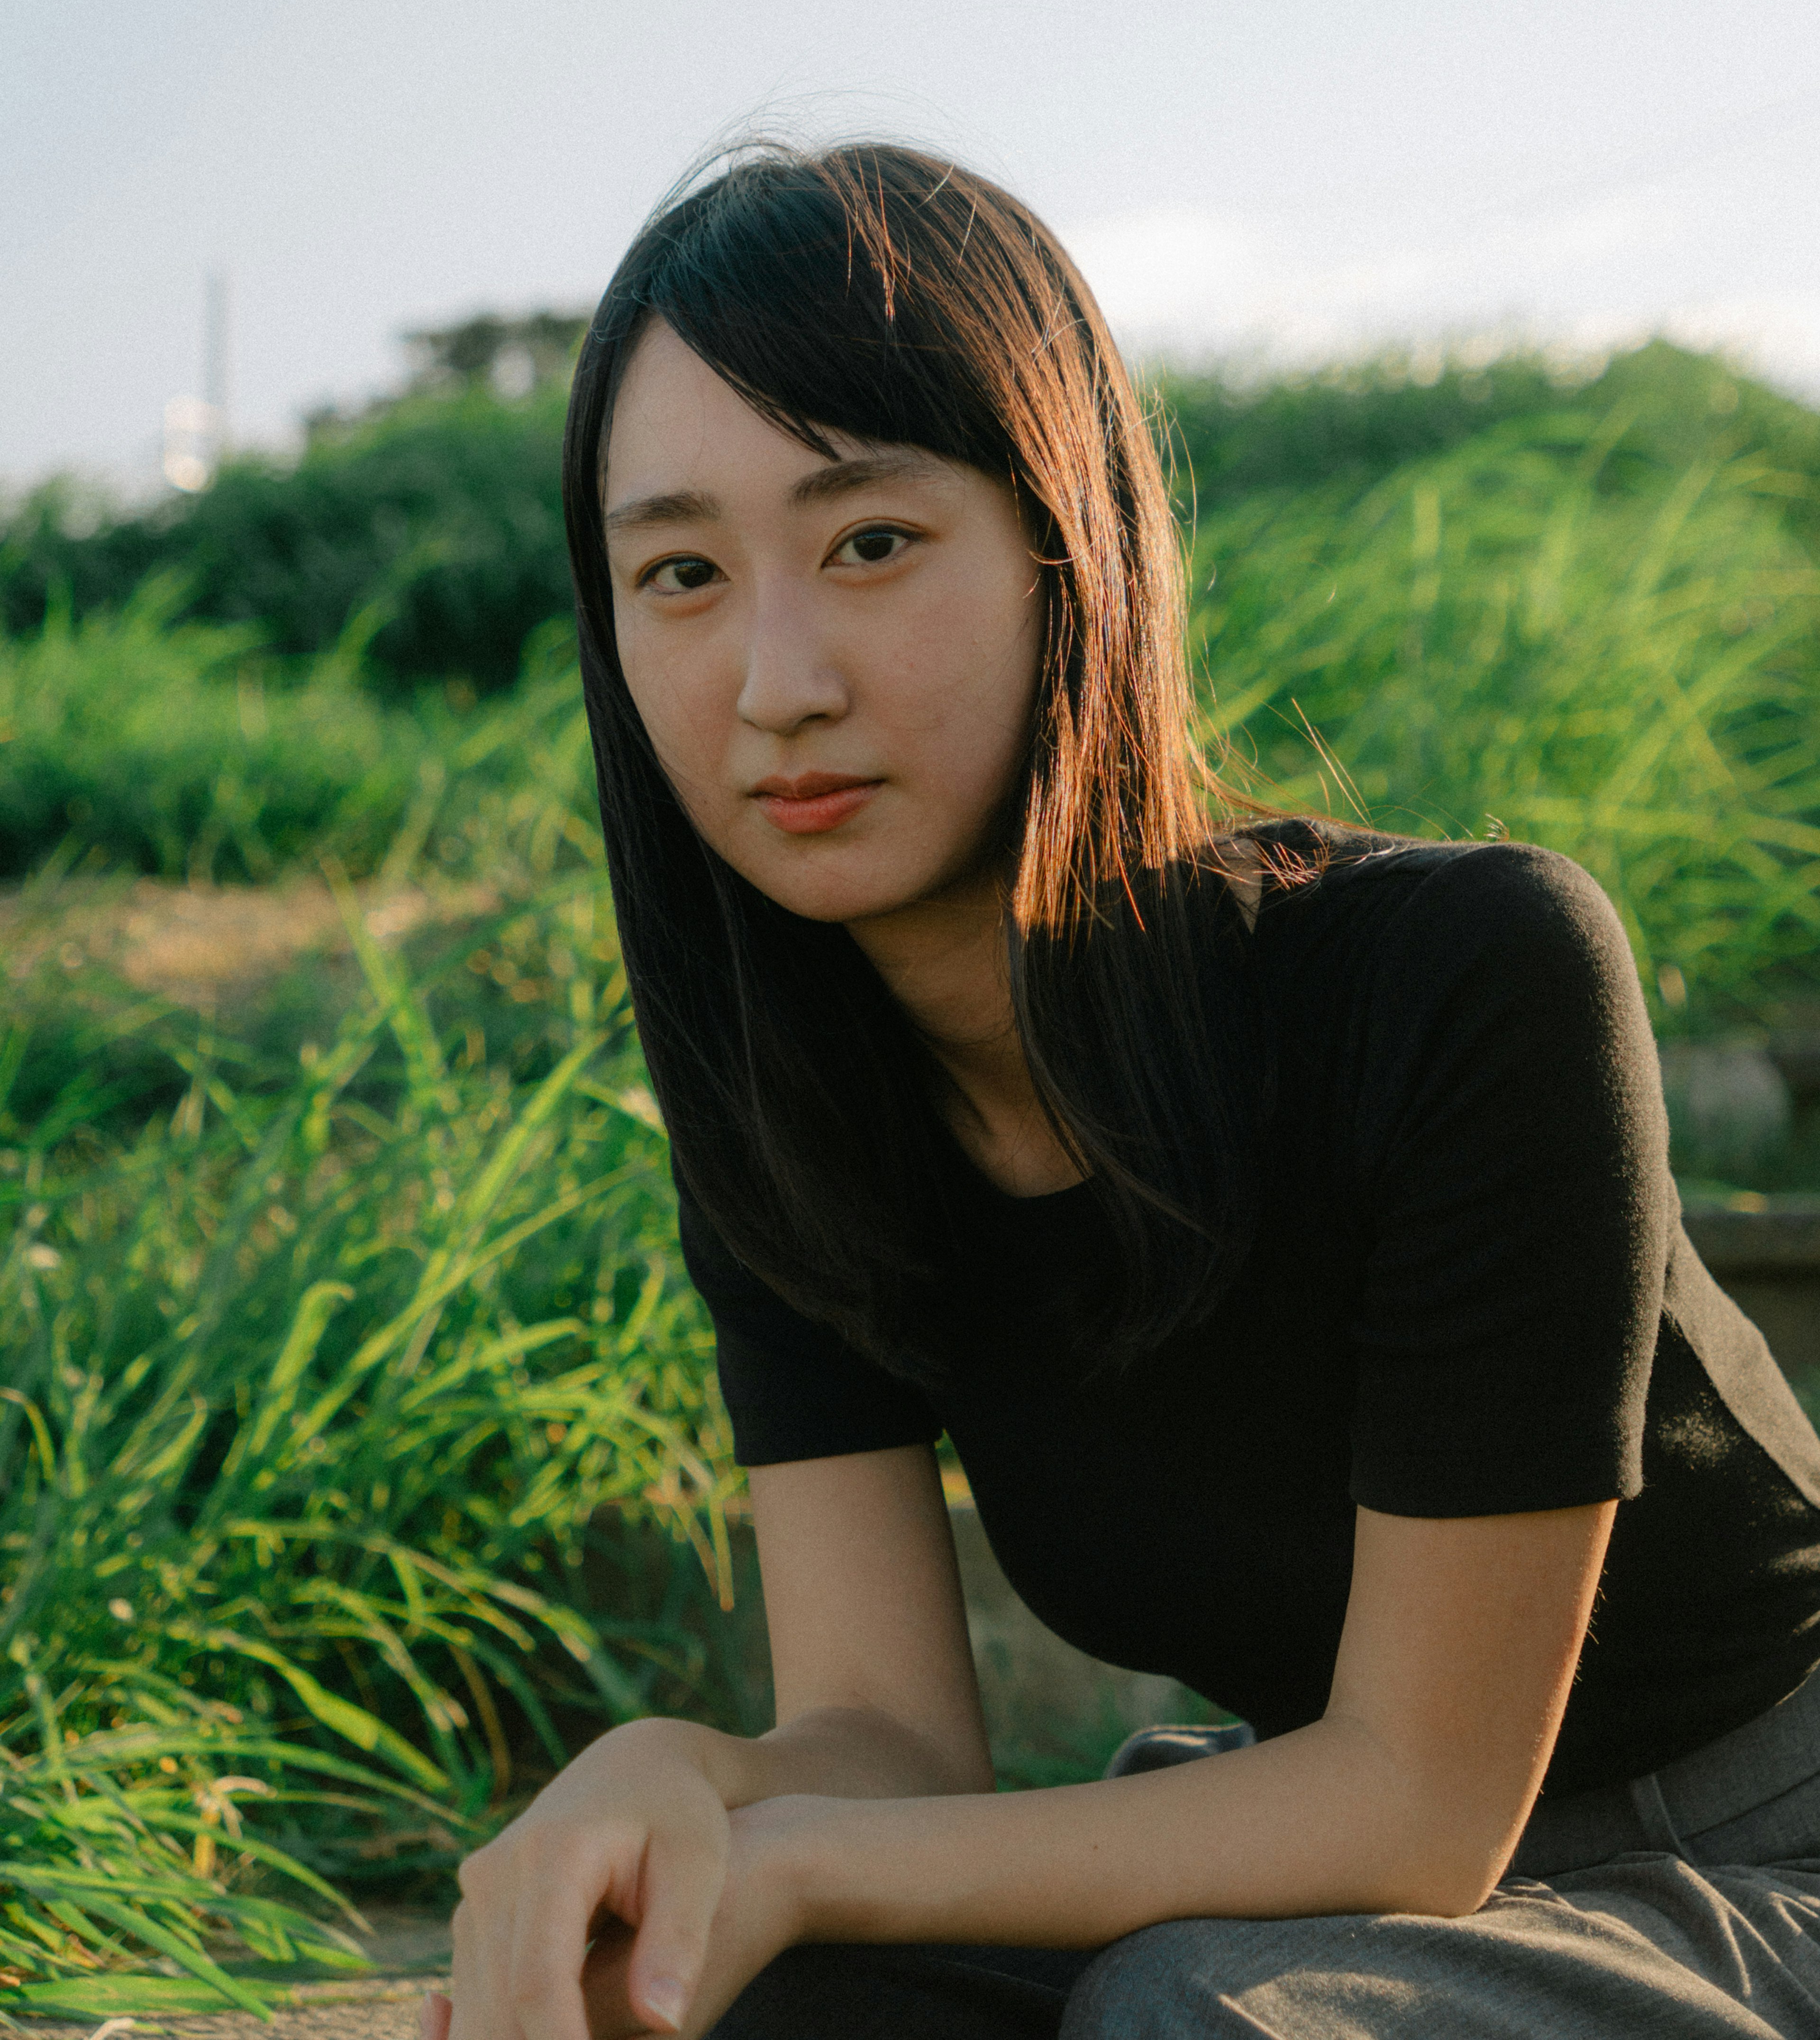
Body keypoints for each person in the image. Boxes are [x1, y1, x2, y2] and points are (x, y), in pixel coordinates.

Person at [429, 144, 1820, 2039]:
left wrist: (805, 1859)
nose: (777, 680)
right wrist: (675, 1782)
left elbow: (1416, 1805)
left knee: (1182, 2017)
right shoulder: (796, 1115)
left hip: (1755, 1858)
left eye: (870, 543)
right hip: (1308, 1876)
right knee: (723, 1997)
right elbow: (891, 1747)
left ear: (1066, 548)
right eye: (680, 573)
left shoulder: (1463, 973)